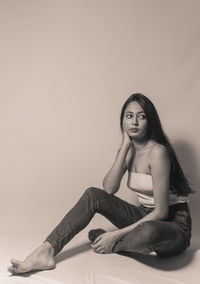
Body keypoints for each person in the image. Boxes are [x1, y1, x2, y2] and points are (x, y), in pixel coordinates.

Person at [8, 93, 192, 275]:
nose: (134, 122)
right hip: (143, 215)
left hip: (173, 226)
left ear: (149, 121)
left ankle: (114, 243)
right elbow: (109, 189)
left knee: (148, 231)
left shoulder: (158, 152)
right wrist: (125, 147)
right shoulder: (128, 151)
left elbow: (161, 212)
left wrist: (114, 235)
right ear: (123, 122)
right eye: (129, 116)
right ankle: (47, 250)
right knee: (92, 195)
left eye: (141, 117)